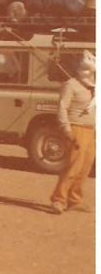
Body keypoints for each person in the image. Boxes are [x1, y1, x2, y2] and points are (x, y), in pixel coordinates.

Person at [50, 52, 96, 214]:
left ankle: (74, 199)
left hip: (91, 131)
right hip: (77, 127)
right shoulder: (70, 85)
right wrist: (67, 129)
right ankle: (59, 199)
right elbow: (62, 107)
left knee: (85, 167)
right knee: (73, 166)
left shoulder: (93, 88)